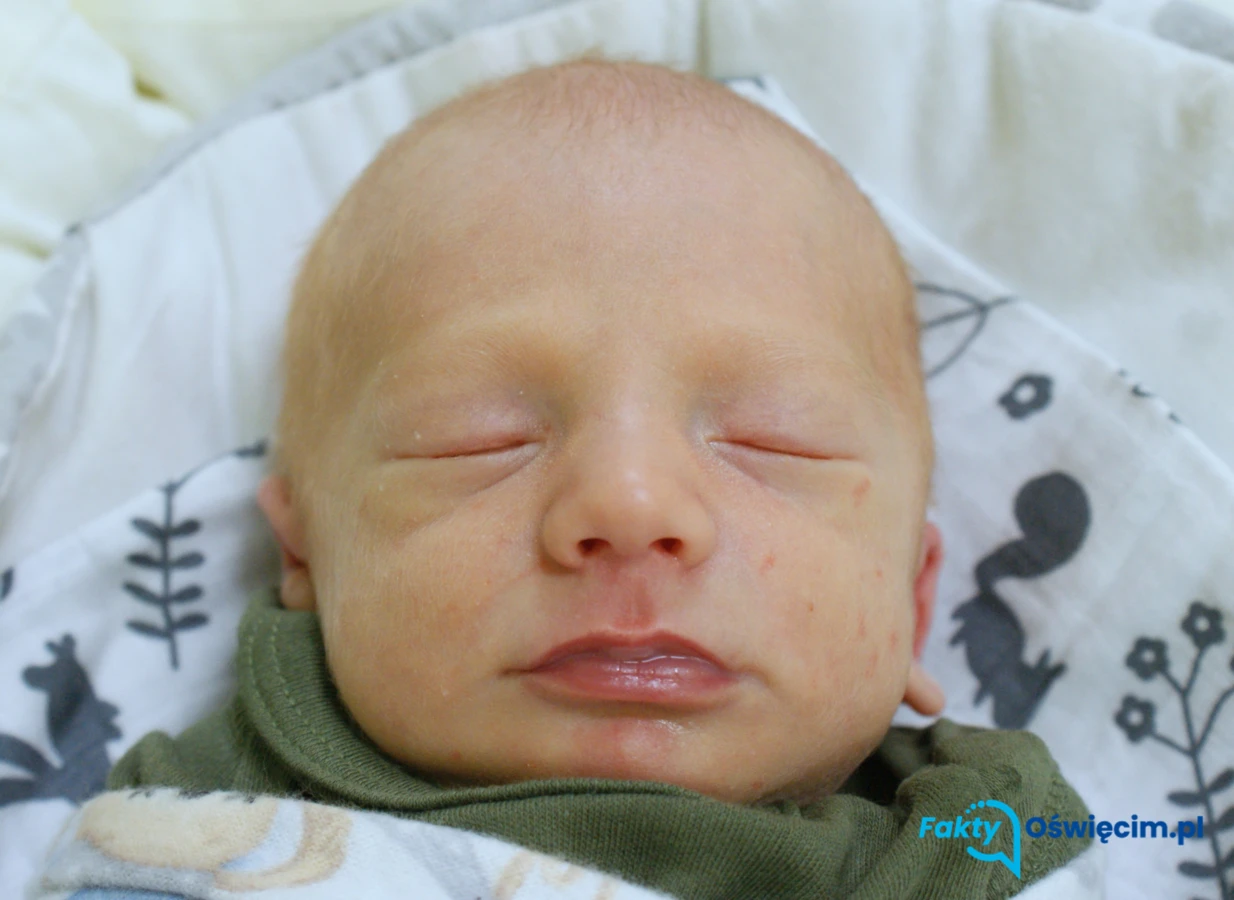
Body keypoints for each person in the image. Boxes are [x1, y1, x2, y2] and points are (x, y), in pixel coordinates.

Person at [107, 58, 1091, 898]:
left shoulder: (979, 843)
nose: (629, 502)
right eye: (478, 438)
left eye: (773, 439)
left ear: (912, 600)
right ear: (304, 554)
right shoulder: (200, 823)